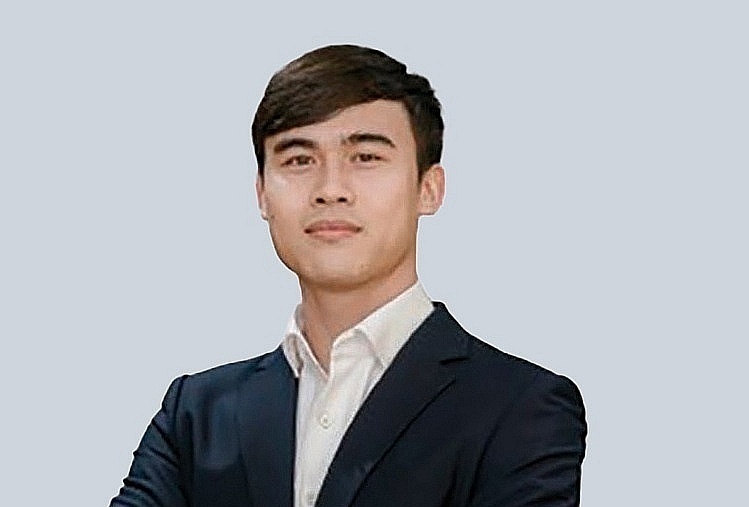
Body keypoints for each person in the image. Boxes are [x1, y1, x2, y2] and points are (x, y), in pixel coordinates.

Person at [110, 44, 587, 507]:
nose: (330, 189)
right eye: (299, 160)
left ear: (429, 188)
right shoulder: (195, 415)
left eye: (366, 157)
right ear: (262, 195)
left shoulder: (521, 408)